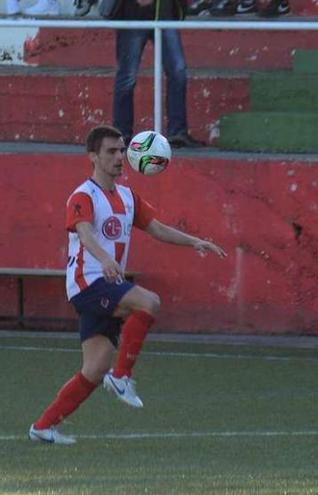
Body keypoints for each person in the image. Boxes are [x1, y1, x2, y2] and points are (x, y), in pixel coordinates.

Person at [28, 125, 226, 445]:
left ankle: (43, 427)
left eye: (122, 150)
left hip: (107, 283)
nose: (120, 157)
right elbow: (84, 231)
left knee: (93, 370)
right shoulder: (83, 195)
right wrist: (105, 259)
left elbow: (157, 228)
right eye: (112, 151)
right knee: (149, 302)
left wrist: (195, 242)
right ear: (93, 157)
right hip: (88, 282)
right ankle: (121, 377)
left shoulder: (127, 196)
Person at [112, 0, 204, 148]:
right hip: (133, 16)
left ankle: (177, 132)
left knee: (177, 72)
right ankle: (121, 133)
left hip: (165, 15)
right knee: (127, 77)